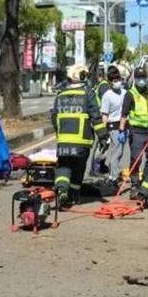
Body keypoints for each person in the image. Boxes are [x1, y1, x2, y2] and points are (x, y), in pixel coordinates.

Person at [52, 70, 107, 207]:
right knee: (78, 167)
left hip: (64, 139)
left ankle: (62, 189)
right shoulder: (88, 93)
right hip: (82, 140)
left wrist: (60, 132)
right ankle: (74, 195)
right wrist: (103, 137)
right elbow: (96, 116)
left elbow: (54, 118)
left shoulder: (60, 95)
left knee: (63, 164)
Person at [118, 68, 148, 200]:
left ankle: (146, 184)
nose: (141, 80)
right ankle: (135, 185)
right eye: (139, 78)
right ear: (135, 79)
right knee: (136, 159)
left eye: (143, 77)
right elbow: (124, 114)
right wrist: (121, 130)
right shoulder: (130, 94)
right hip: (137, 131)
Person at [98, 72, 126, 183]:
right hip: (113, 126)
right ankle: (114, 175)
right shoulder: (107, 96)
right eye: (115, 81)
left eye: (119, 80)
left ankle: (113, 172)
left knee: (119, 151)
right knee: (117, 151)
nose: (117, 83)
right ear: (110, 82)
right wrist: (103, 132)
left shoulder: (125, 93)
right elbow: (104, 115)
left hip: (123, 125)